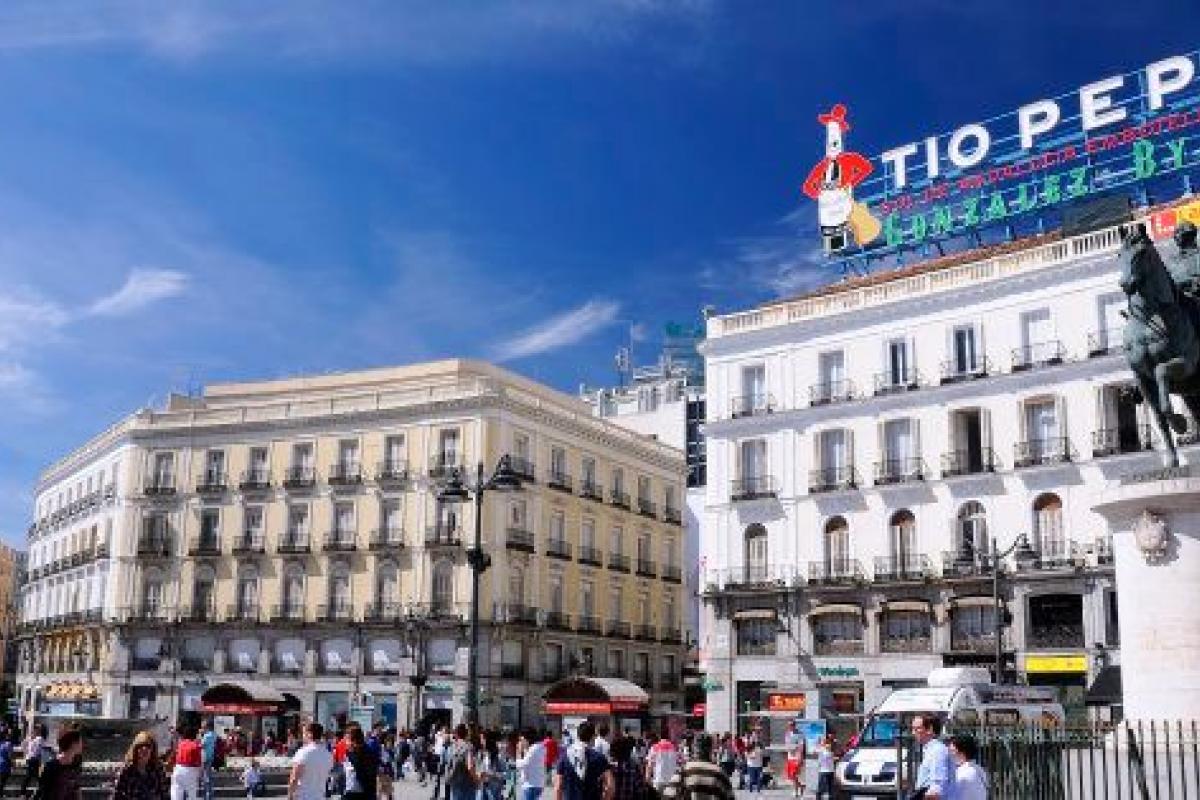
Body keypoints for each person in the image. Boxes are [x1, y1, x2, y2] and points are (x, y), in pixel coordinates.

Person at [658, 735, 732, 800]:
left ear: (694, 749)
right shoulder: (719, 772)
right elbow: (730, 796)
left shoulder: (684, 770)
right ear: (711, 749)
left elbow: (669, 795)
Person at [553, 722, 612, 800]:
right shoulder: (599, 757)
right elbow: (610, 785)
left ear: (578, 735)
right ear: (592, 737)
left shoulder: (564, 757)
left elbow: (558, 787)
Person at [111, 730, 166, 800]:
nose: (144, 749)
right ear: (135, 749)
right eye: (141, 746)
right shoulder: (126, 769)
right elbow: (117, 794)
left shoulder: (158, 768)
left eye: (148, 746)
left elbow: (163, 793)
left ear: (153, 749)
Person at [910, 715, 954, 800]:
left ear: (929, 729)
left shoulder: (937, 751)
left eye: (917, 728)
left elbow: (937, 788)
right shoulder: (931, 750)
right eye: (913, 729)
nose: (913, 733)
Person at [288, 723, 334, 800]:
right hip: (320, 796)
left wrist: (290, 795)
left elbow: (294, 777)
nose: (302, 736)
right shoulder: (328, 754)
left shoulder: (303, 752)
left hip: (303, 796)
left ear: (309, 734)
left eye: (303, 733)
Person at [343, 726, 380, 800]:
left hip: (361, 794)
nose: (345, 742)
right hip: (349, 793)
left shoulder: (365, 754)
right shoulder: (349, 753)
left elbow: (369, 778)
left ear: (354, 741)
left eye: (347, 739)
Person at [948, 734, 987, 800]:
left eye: (952, 751)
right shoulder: (979, 769)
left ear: (961, 752)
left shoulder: (961, 773)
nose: (949, 754)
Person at [442, 725, 475, 800]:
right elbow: (470, 766)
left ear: (456, 734)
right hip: (467, 783)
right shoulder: (468, 747)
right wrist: (476, 779)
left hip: (455, 781)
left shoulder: (452, 747)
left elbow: (447, 763)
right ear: (466, 734)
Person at [171, 727, 203, 800]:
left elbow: (175, 755)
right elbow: (198, 761)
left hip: (178, 768)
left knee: (176, 792)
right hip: (190, 770)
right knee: (192, 793)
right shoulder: (195, 745)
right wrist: (200, 773)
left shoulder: (180, 744)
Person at [515, 730, 546, 800]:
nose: (521, 742)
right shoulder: (540, 747)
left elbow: (522, 765)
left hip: (531, 785)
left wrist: (519, 752)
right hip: (537, 784)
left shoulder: (533, 749)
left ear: (527, 739)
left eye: (522, 740)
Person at [21, 723, 47, 798]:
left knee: (31, 776)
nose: (39, 730)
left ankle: (24, 793)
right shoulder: (40, 739)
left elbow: (23, 745)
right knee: (37, 777)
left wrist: (26, 753)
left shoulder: (31, 738)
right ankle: (37, 793)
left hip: (30, 759)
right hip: (34, 759)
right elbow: (42, 750)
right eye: (38, 729)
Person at [784, 722, 806, 798]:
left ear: (794, 725)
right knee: (790, 776)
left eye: (791, 725)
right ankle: (801, 786)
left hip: (797, 757)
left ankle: (796, 791)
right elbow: (786, 744)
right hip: (789, 756)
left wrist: (800, 758)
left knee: (794, 774)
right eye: (789, 725)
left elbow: (801, 746)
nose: (790, 726)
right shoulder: (787, 734)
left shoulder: (800, 734)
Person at [198, 723, 218, 800]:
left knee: (206, 776)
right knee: (208, 776)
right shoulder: (214, 735)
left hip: (205, 757)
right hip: (210, 756)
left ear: (206, 727)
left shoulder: (207, 736)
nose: (202, 729)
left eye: (203, 727)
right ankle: (209, 794)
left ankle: (207, 795)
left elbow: (201, 745)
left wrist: (200, 737)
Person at [814, 735, 837, 800]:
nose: (828, 745)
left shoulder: (831, 751)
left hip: (830, 771)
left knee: (830, 788)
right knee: (821, 787)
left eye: (829, 744)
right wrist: (818, 742)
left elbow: (834, 757)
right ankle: (819, 798)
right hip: (823, 771)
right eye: (826, 743)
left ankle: (830, 797)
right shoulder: (821, 750)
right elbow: (815, 751)